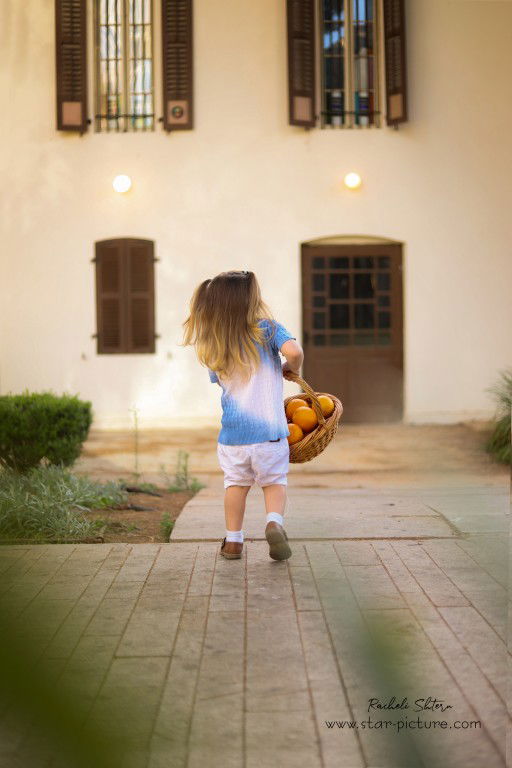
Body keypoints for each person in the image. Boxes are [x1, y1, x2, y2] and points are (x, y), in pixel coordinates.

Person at [182, 270, 304, 561]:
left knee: (235, 486)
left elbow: (220, 381)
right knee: (274, 482)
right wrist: (291, 367)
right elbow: (295, 351)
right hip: (270, 435)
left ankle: (234, 541)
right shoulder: (269, 329)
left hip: (233, 438)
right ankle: (274, 523)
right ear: (250, 301)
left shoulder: (215, 342)